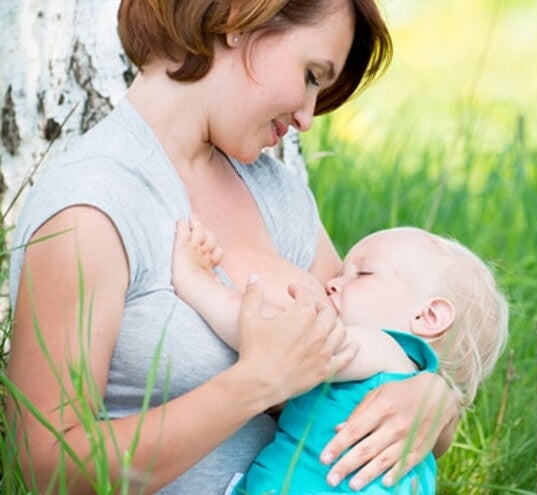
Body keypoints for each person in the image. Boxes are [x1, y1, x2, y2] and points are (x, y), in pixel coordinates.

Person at [7, 1, 463, 493]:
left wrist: (434, 399)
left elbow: (369, 353)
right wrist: (253, 386)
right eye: (311, 75)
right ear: (241, 21)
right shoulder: (95, 207)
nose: (309, 117)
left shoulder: (276, 194)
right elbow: (44, 466)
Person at [171, 218, 509, 493]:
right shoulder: (382, 377)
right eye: (341, 271)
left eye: (362, 274)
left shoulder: (387, 351)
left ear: (428, 317)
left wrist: (196, 281)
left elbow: (272, 335)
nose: (332, 283)